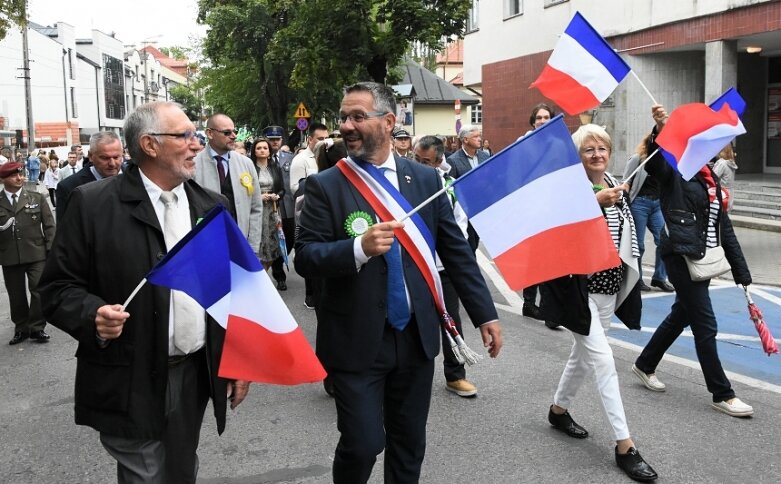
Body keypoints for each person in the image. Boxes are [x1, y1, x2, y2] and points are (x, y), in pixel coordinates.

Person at [295, 82, 502, 483]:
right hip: (356, 339)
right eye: (343, 118)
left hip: (415, 337)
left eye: (358, 116)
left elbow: (457, 252)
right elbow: (305, 258)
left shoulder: (425, 180)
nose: (347, 126)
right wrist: (357, 248)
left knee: (409, 444)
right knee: (362, 443)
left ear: (389, 122)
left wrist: (484, 314)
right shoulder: (326, 185)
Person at [38, 101, 250, 483]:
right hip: (129, 376)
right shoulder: (93, 205)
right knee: (145, 473)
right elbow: (56, 288)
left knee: (182, 469)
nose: (196, 145)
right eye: (184, 135)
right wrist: (92, 315)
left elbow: (229, 295)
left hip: (193, 372)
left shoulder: (212, 207)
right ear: (149, 145)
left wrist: (238, 362)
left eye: (196, 135)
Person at [543, 124, 657, 482]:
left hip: (608, 287)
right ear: (577, 156)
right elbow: (557, 225)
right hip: (577, 289)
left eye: (602, 147)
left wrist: (658, 130)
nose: (597, 154)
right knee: (604, 360)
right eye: (588, 149)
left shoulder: (612, 182)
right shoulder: (569, 188)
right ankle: (625, 445)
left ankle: (559, 410)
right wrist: (594, 201)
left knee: (584, 355)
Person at [632, 105, 754, 418]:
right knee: (705, 322)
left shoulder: (709, 176)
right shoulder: (676, 170)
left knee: (682, 315)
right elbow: (658, 162)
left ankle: (645, 364)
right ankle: (722, 393)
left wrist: (742, 273)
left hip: (704, 258)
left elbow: (722, 226)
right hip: (681, 256)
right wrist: (662, 128)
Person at [413, 134, 479, 398]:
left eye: (425, 161)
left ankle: (455, 374)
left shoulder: (450, 188)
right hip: (413, 265)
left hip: (442, 268)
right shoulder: (402, 185)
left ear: (439, 161)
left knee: (451, 320)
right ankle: (408, 374)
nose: (419, 166)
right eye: (416, 159)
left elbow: (458, 233)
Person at [0, 162, 55, 345]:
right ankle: (21, 328)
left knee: (39, 291)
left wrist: (51, 249)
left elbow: (49, 226)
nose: (19, 178)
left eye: (21, 174)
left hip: (36, 253)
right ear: (3, 179)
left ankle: (37, 328)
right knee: (16, 296)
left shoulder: (35, 197)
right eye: (13, 176)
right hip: (9, 255)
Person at [194, 113, 263, 257]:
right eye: (227, 132)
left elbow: (256, 208)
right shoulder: (193, 165)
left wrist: (253, 246)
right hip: (206, 248)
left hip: (241, 244)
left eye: (234, 131)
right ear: (210, 133)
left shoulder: (246, 163)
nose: (233, 136)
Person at [519, 103, 557, 322]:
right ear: (533, 122)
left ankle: (546, 305)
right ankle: (529, 303)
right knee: (535, 258)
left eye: (546, 117)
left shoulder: (558, 144)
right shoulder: (523, 144)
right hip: (532, 208)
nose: (543, 120)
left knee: (551, 259)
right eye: (539, 117)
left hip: (552, 209)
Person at [623, 135, 675, 292]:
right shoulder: (638, 159)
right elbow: (626, 180)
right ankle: (636, 279)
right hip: (640, 203)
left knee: (665, 241)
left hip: (657, 204)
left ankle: (659, 278)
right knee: (638, 245)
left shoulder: (665, 161)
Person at [56, 132, 123, 223]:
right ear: (91, 156)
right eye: (105, 158)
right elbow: (66, 233)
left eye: (116, 157)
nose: (112, 163)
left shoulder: (134, 179)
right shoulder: (69, 188)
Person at [249, 137, 285, 285]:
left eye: (265, 148)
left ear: (269, 152)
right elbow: (245, 191)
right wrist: (259, 196)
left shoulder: (275, 167)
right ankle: (259, 281)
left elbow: (282, 189)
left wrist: (277, 196)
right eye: (259, 148)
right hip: (256, 211)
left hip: (273, 211)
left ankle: (261, 279)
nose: (262, 150)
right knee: (259, 245)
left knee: (273, 245)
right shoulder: (249, 167)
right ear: (254, 151)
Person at [263, 125, 295, 290]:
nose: (274, 142)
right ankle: (278, 273)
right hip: (270, 207)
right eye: (271, 139)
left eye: (277, 139)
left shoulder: (290, 158)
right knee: (275, 240)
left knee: (290, 239)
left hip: (288, 206)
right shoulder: (260, 158)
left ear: (281, 140)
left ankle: (280, 260)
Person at [713, 144, 737, 212]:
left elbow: (713, 177)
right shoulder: (731, 163)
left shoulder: (722, 163)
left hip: (722, 192)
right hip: (729, 192)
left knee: (720, 216)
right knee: (725, 216)